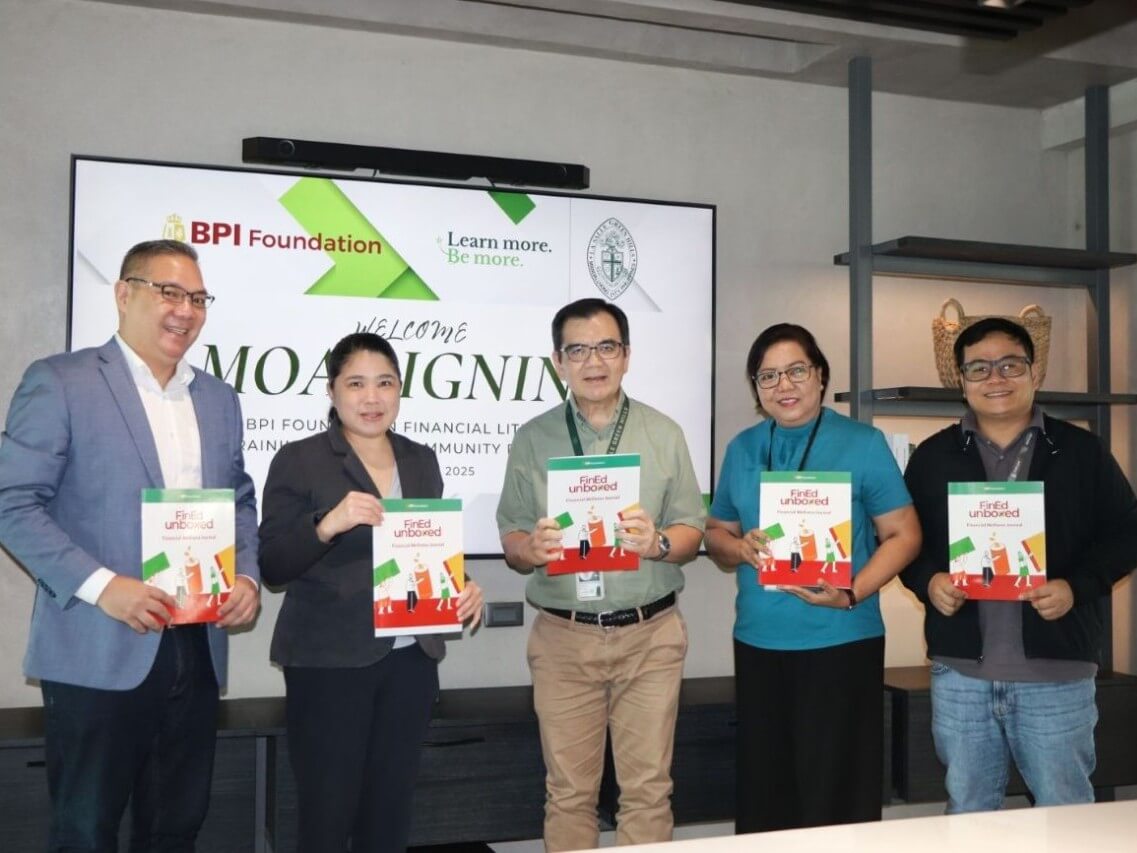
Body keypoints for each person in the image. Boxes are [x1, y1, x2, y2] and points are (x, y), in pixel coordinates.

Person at [0, 239, 261, 851]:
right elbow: (12, 503)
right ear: (124, 294)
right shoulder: (60, 381)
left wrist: (246, 576)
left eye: (197, 297)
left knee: (176, 826)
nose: (184, 310)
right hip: (98, 647)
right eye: (167, 291)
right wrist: (104, 588)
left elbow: (240, 501)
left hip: (195, 648)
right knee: (86, 831)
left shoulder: (218, 398)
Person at [258, 332, 484, 853]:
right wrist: (326, 524)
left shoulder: (421, 459)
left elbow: (430, 549)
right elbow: (272, 564)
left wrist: (462, 585)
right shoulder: (301, 459)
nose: (372, 397)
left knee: (390, 812)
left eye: (384, 383)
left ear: (399, 391)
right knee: (327, 813)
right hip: (329, 663)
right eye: (355, 384)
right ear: (332, 392)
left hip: (410, 662)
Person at [900, 317, 1137, 814]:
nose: (996, 379)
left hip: (1058, 673)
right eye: (979, 368)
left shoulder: (1080, 451)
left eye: (1010, 364)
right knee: (968, 811)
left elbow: (1127, 532)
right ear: (960, 380)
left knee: (1066, 813)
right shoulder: (933, 456)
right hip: (962, 674)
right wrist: (929, 581)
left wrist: (1077, 586)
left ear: (1035, 371)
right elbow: (904, 540)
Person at [496, 298, 706, 851]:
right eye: (578, 349)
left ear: (627, 355)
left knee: (648, 792)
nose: (594, 361)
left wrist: (659, 542)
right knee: (567, 794)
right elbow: (512, 538)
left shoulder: (664, 433)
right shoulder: (533, 438)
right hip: (564, 639)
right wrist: (531, 548)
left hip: (650, 637)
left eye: (607, 347)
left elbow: (693, 530)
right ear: (558, 360)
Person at [704, 323, 920, 833]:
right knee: (766, 792)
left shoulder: (864, 445)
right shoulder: (743, 448)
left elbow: (905, 535)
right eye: (768, 376)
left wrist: (850, 594)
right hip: (760, 643)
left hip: (842, 641)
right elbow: (716, 533)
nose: (785, 385)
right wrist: (739, 547)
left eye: (796, 370)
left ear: (820, 376)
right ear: (756, 390)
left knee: (838, 792)